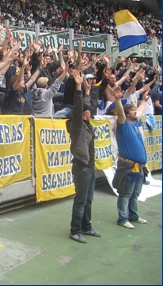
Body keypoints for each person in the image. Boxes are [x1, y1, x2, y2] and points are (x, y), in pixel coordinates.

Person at [66, 71, 100, 244]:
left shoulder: (85, 124)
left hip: (90, 167)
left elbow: (85, 105)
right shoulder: (78, 126)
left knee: (88, 199)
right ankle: (75, 230)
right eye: (86, 112)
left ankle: (86, 226)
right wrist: (78, 87)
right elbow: (80, 107)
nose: (89, 113)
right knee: (81, 201)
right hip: (82, 168)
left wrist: (87, 91)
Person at [112, 86, 149, 229]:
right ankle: (122, 218)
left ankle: (133, 215)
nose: (136, 111)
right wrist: (117, 99)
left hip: (138, 167)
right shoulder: (123, 124)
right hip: (128, 167)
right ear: (127, 114)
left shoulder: (134, 123)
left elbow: (139, 111)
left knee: (135, 193)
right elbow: (120, 113)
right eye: (132, 110)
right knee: (126, 193)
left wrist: (144, 101)